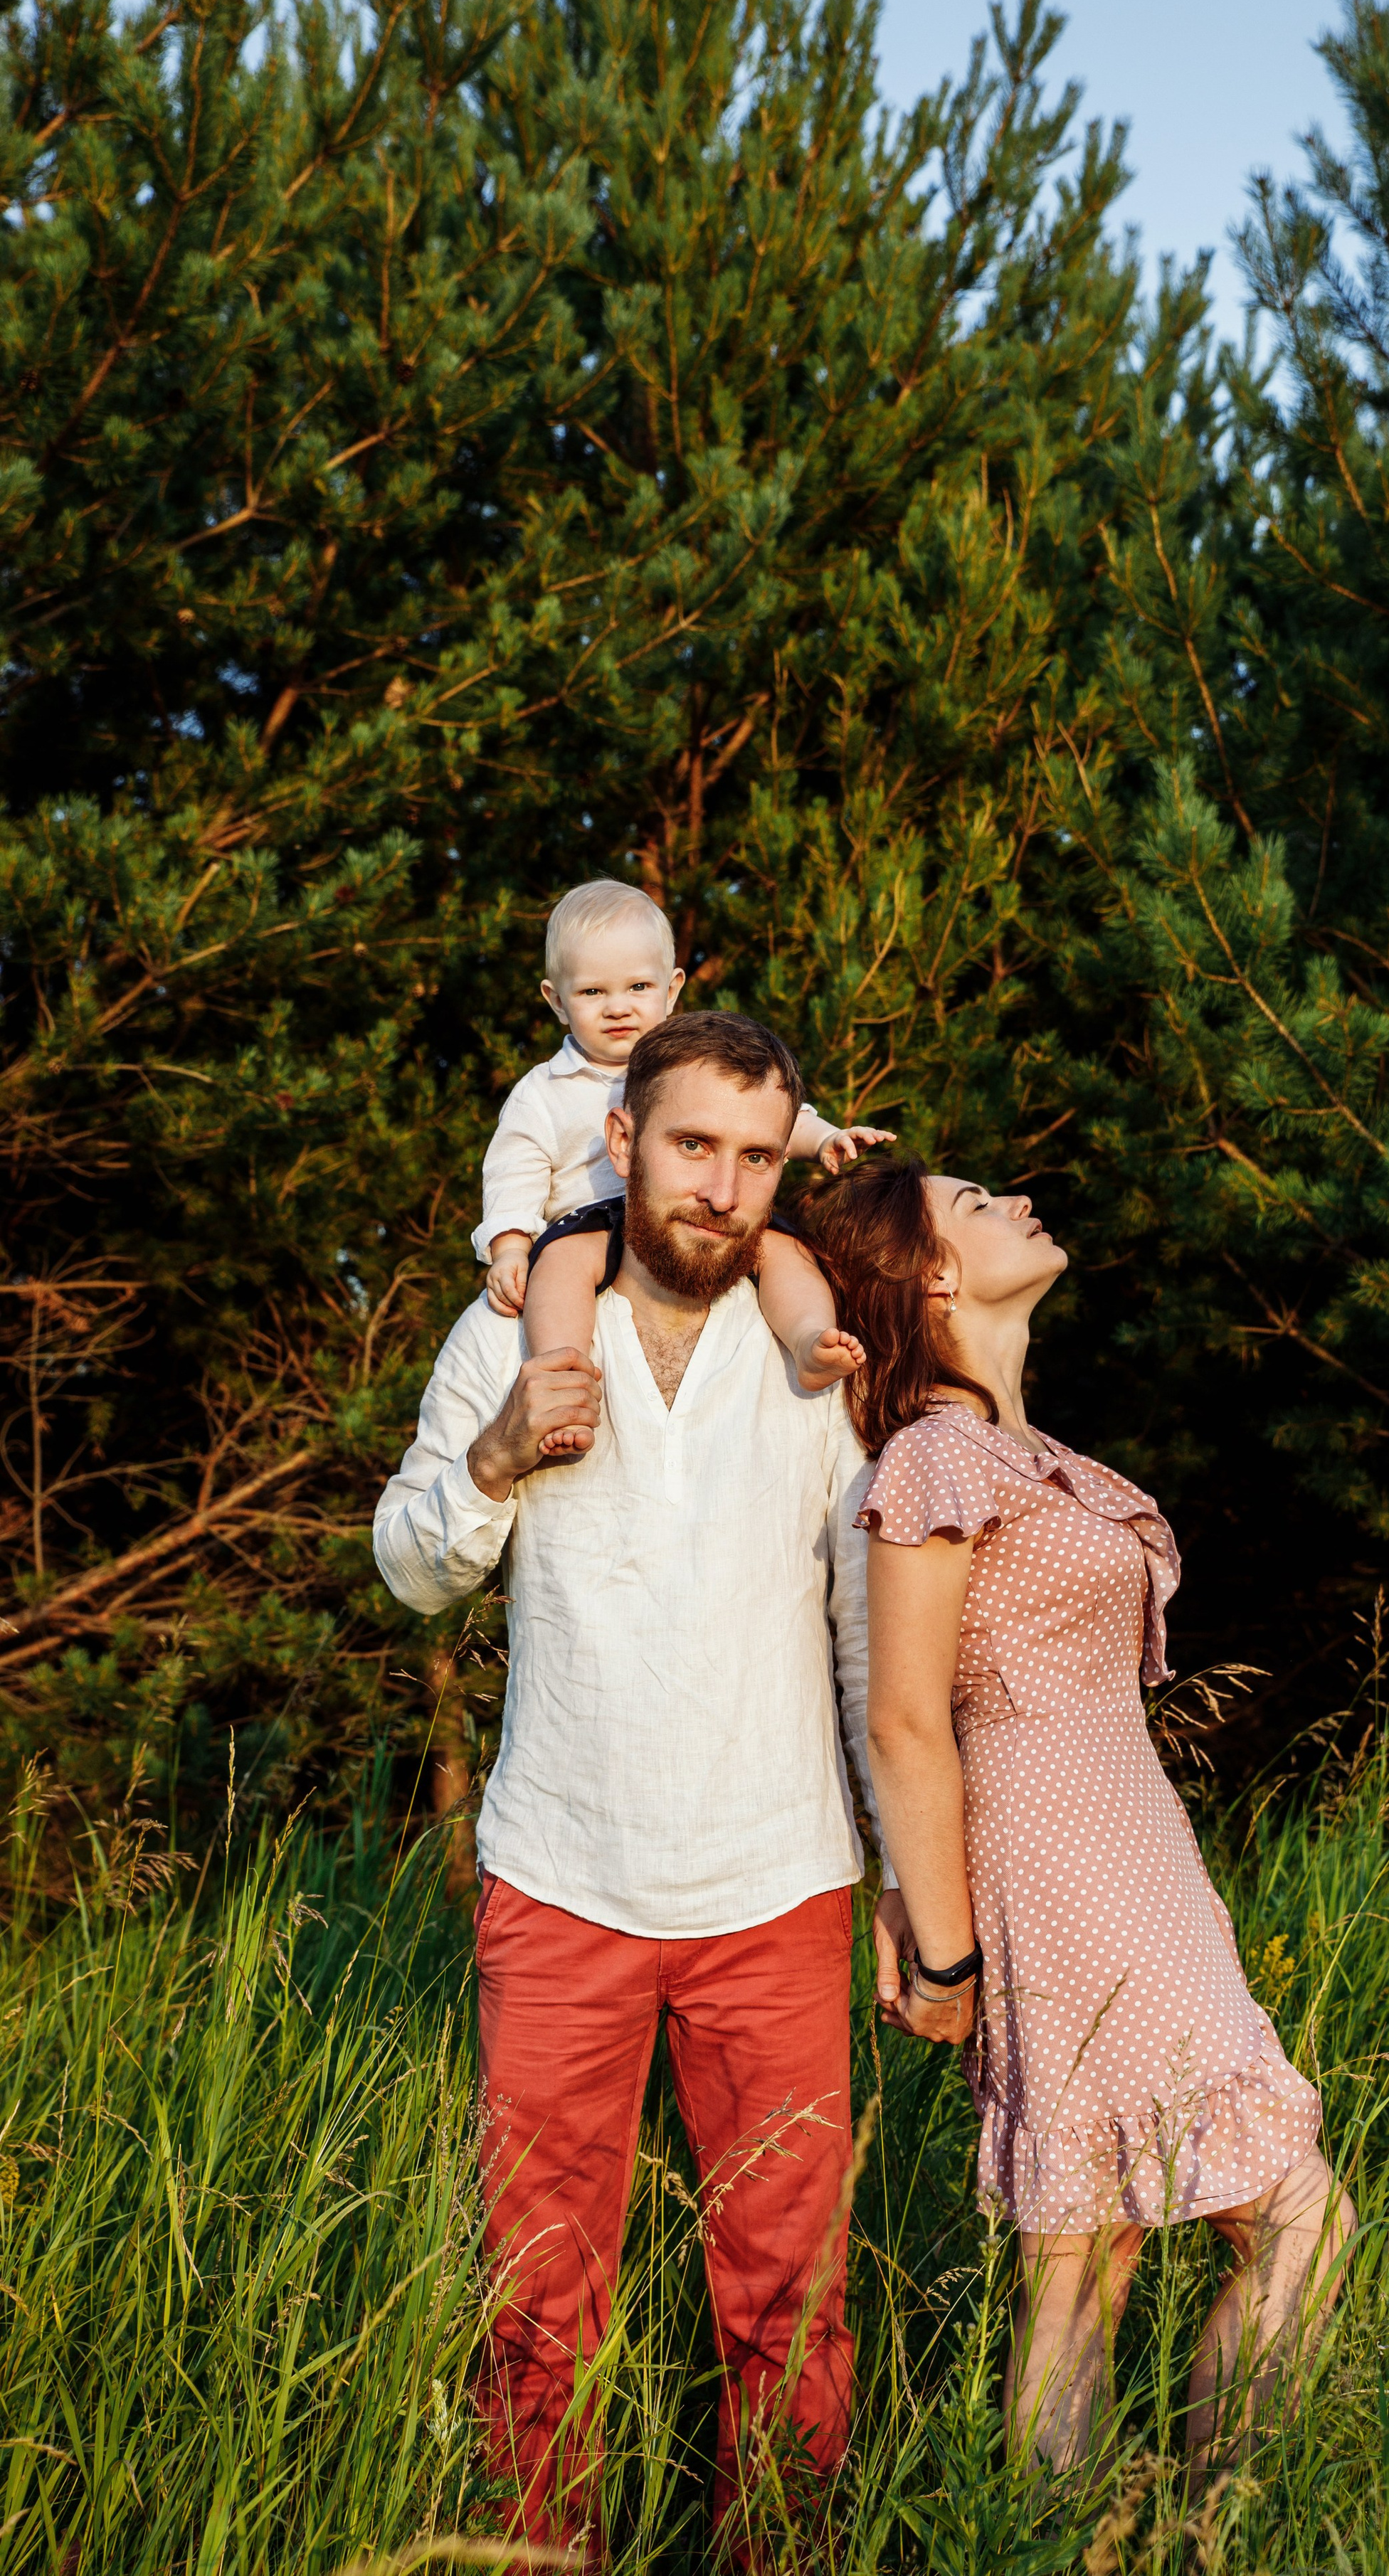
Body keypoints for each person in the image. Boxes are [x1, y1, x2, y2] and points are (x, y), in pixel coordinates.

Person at [374, 1009, 884, 2557]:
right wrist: (494, 1464)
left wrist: (910, 1886)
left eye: (751, 1155)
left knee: (792, 2306)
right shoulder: (514, 1331)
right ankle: (533, 2555)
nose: (720, 1189)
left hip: (778, 1882)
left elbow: (870, 1634)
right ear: (621, 1144)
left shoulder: (818, 1351)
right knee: (537, 2290)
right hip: (560, 1880)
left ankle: (781, 2556)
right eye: (688, 1147)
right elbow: (409, 1568)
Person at [801, 1157, 1357, 2480]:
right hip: (1057, 1856)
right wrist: (942, 1948)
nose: (1019, 1202)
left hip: (1130, 1841)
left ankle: (1090, 2538)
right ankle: (1222, 2528)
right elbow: (907, 1718)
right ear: (931, 1275)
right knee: (1286, 2223)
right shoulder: (935, 1457)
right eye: (977, 1204)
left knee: (1090, 2251)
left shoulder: (1019, 1449)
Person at [474, 878, 892, 1446]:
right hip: (592, 1220)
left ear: (672, 990)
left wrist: (823, 1139)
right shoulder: (543, 1092)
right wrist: (511, 1246)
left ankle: (808, 1340)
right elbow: (514, 1169)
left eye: (638, 986)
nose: (619, 1007)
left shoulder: (696, 1062)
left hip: (690, 1215)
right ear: (555, 999)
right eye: (593, 993)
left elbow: (770, 1115)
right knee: (561, 1270)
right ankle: (562, 1385)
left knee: (786, 1249)